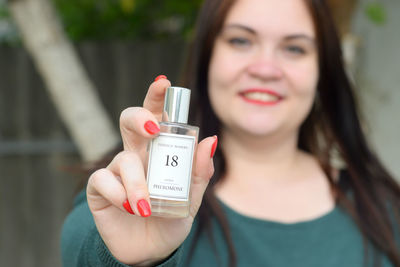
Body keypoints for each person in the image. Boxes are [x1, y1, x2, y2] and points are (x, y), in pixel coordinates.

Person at [61, 0, 400, 266]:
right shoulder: (128, 191)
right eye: (241, 40)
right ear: (207, 57)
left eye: (294, 48)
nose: (265, 68)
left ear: (322, 71)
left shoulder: (386, 213)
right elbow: (80, 244)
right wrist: (126, 261)